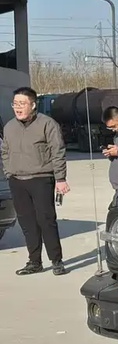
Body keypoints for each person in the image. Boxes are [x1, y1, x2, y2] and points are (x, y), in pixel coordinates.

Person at [1, 86, 69, 275]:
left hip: (41, 179)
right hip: (17, 180)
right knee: (27, 223)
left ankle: (56, 261)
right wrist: (9, 172)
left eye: (22, 103)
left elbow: (58, 151)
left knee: (46, 220)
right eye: (15, 104)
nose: (18, 107)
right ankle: (34, 262)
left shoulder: (47, 124)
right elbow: (5, 152)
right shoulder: (9, 127)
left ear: (33, 105)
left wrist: (60, 178)